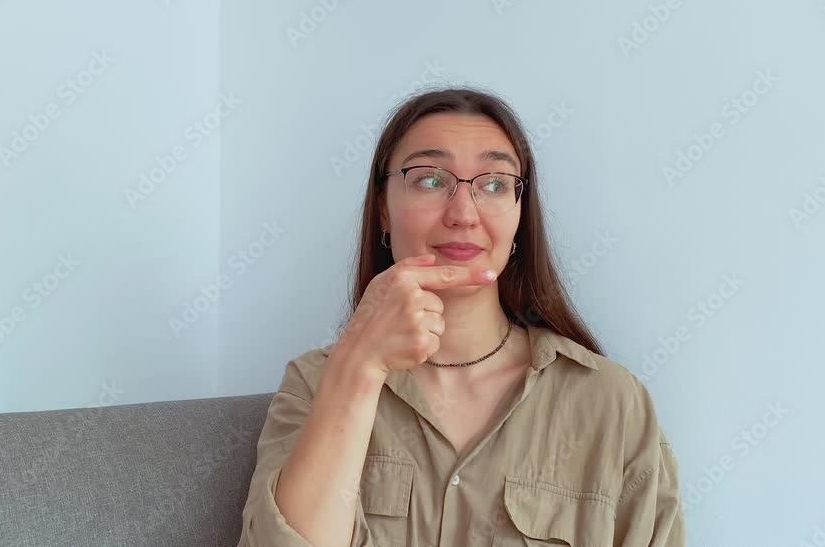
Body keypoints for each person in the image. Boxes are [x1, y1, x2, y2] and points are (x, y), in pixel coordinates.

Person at [237, 87, 684, 547]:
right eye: (430, 180)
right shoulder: (315, 384)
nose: (464, 213)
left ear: (519, 215)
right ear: (384, 210)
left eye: (494, 184)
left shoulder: (613, 402)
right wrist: (360, 368)